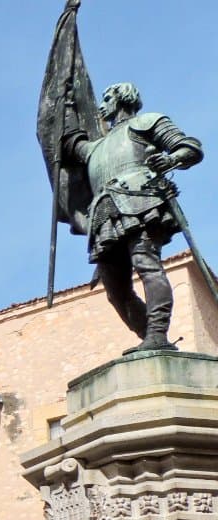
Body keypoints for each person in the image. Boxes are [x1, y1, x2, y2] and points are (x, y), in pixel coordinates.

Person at [63, 82, 203, 354]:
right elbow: (69, 143)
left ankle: (157, 334)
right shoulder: (95, 148)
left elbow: (190, 148)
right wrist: (66, 104)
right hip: (105, 214)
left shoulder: (146, 122)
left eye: (106, 99)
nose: (102, 106)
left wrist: (170, 159)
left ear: (122, 99)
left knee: (146, 263)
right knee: (116, 290)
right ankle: (149, 338)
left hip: (141, 201)